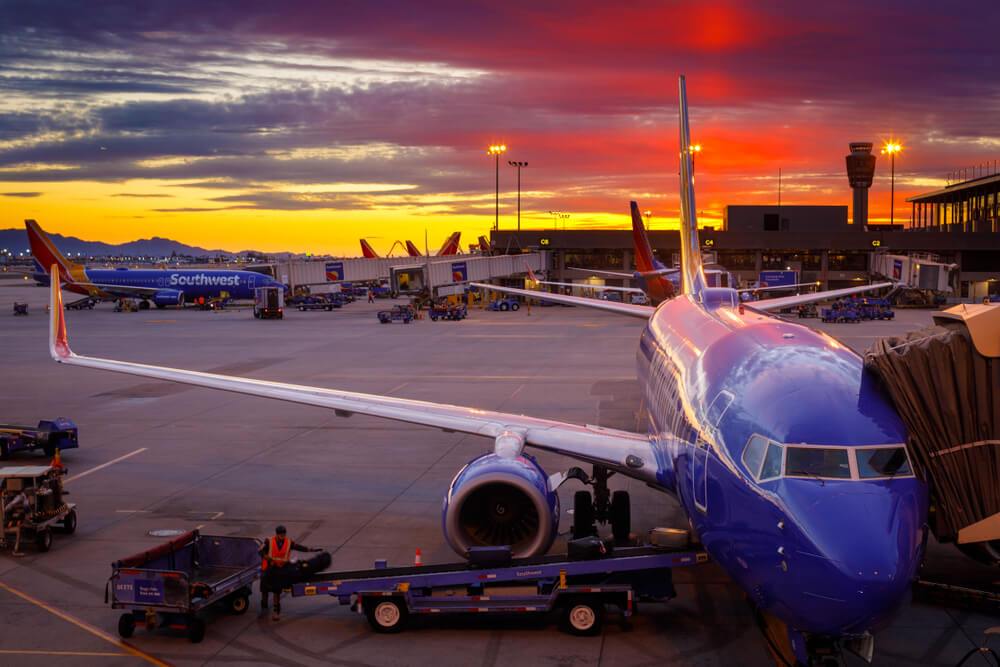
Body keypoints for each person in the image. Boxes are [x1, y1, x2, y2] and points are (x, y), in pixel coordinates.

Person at [259, 525, 321, 620]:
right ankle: (264, 608)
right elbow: (260, 551)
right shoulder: (268, 541)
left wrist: (311, 550)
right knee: (264, 591)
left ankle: (276, 612)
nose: (283, 536)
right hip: (267, 569)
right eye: (281, 535)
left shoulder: (288, 542)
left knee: (276, 591)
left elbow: (299, 547)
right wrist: (267, 557)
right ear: (277, 534)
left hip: (278, 570)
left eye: (284, 534)